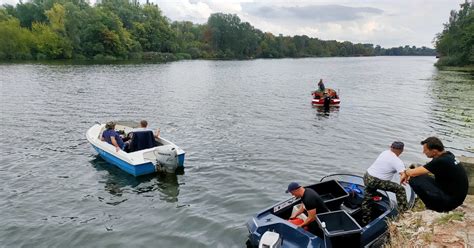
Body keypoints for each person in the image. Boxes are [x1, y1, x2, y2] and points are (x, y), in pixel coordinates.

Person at [401, 137, 468, 212]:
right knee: (418, 175)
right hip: (455, 196)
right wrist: (410, 172)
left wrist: (405, 173)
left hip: (450, 202)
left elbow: (412, 172)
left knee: (413, 179)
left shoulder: (441, 161)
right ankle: (436, 204)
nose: (423, 152)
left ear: (434, 151)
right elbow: (423, 169)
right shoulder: (448, 155)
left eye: (425, 150)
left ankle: (434, 207)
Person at [361, 141, 408, 225]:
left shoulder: (385, 152)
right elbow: (403, 174)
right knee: (400, 189)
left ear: (391, 147)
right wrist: (404, 178)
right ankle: (404, 213)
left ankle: (366, 221)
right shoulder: (397, 161)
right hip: (376, 181)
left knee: (367, 199)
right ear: (402, 150)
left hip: (367, 176)